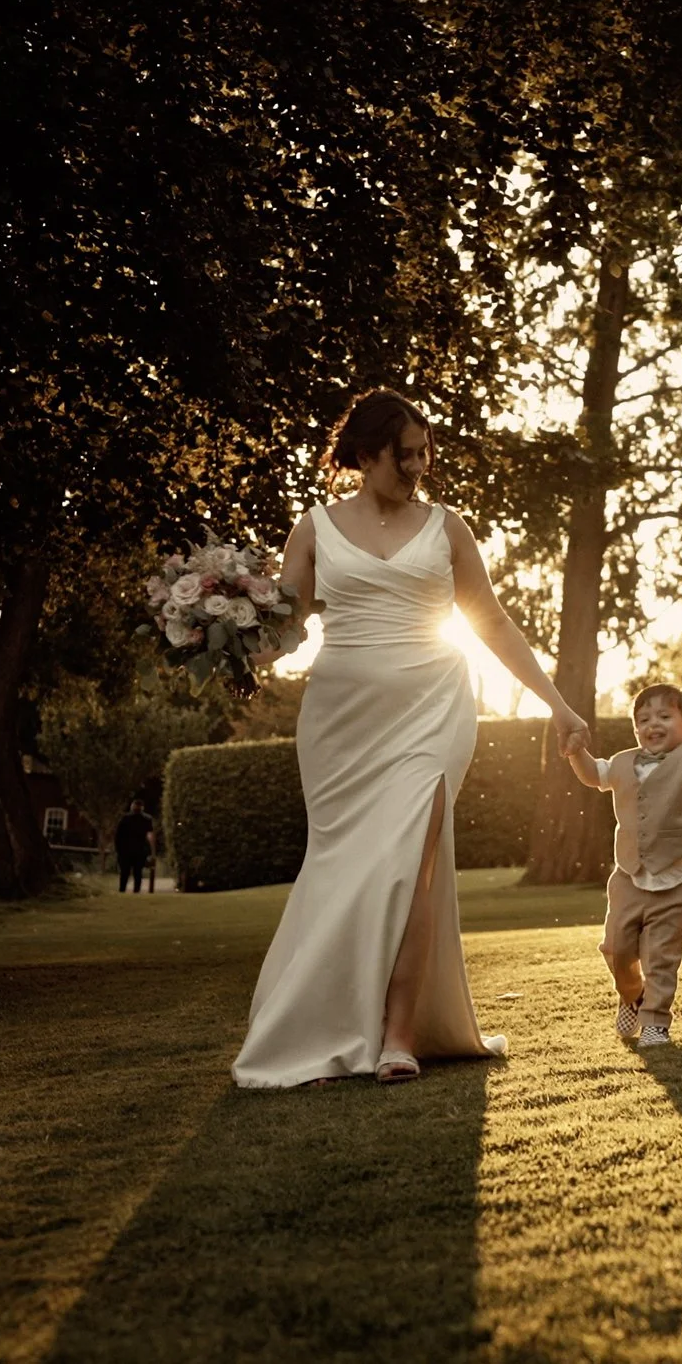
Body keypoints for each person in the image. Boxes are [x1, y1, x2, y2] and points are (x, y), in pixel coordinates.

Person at [232, 389, 589, 1088]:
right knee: (346, 866)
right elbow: (284, 629)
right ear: (366, 456)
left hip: (434, 707)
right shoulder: (314, 529)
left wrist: (557, 704)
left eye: (426, 453)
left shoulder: (447, 527)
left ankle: (399, 1034)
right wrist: (220, 636)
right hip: (341, 720)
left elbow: (490, 621)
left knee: (415, 862)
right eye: (406, 456)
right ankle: (326, 1022)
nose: (420, 467)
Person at [567, 677, 682, 1048]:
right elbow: (592, 775)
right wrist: (576, 751)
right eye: (643, 719)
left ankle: (656, 1021)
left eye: (664, 717)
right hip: (628, 878)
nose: (652, 725)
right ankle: (633, 996)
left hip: (675, 879)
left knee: (661, 956)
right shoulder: (623, 763)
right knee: (616, 949)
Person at [113, 800, 157, 892]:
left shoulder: (125, 818)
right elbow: (150, 835)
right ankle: (136, 891)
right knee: (137, 873)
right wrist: (152, 851)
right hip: (140, 850)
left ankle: (122, 890)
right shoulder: (146, 819)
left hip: (126, 850)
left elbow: (118, 835)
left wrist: (118, 849)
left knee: (125, 872)